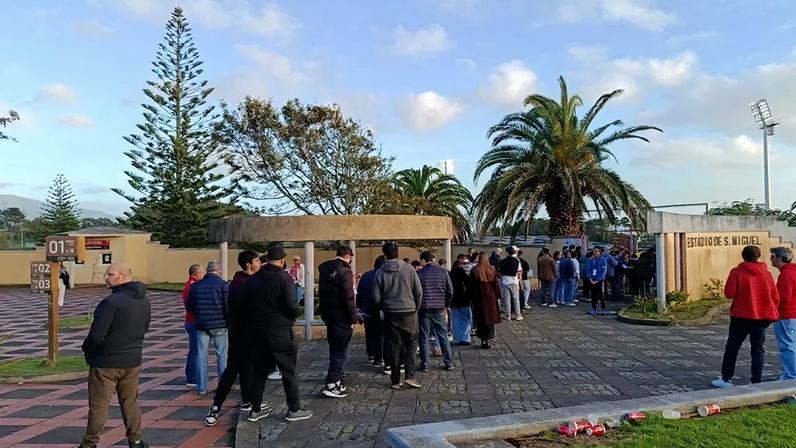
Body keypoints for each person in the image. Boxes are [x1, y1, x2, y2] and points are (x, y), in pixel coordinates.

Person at [78, 262, 150, 448]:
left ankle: (89, 443)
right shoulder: (144, 301)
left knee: (99, 405)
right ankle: (136, 440)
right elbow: (144, 328)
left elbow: (96, 335)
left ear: (124, 276)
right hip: (132, 360)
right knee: (130, 402)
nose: (106, 278)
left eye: (110, 274)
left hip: (106, 363)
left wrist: (87, 349)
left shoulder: (110, 303)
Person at [241, 246, 313, 422]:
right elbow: (291, 306)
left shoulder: (253, 279)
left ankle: (255, 409)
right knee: (288, 370)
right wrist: (292, 315)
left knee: (260, 370)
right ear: (282, 260)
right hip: (279, 330)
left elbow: (245, 305)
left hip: (258, 330)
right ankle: (294, 409)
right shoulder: (284, 278)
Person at [204, 251, 261, 426]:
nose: (260, 263)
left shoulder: (237, 281)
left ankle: (247, 400)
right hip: (244, 333)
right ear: (249, 264)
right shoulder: (245, 283)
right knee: (233, 370)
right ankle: (216, 406)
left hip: (240, 332)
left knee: (247, 368)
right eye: (257, 260)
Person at [712, 246, 780, 388]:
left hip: (740, 316)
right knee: (758, 349)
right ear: (758, 256)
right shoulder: (767, 274)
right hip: (761, 317)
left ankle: (726, 378)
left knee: (732, 347)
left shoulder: (737, 272)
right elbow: (775, 297)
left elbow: (729, 293)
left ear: (743, 256)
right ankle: (756, 380)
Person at [373, 242, 423, 389]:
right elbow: (418, 291)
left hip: (390, 312)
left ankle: (395, 380)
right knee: (411, 344)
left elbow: (375, 297)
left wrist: (382, 308)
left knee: (394, 346)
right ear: (398, 253)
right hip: (409, 311)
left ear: (384, 255)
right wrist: (416, 307)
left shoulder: (380, 272)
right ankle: (410, 376)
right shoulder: (409, 269)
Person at [318, 246, 356, 399]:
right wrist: (353, 318)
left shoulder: (325, 269)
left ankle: (337, 378)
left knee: (334, 347)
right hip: (341, 315)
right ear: (348, 256)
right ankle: (333, 382)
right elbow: (349, 297)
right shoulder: (344, 271)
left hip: (328, 313)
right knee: (341, 350)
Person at [186, 261, 229, 395]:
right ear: (219, 271)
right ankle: (223, 385)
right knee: (222, 355)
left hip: (201, 324)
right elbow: (227, 306)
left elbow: (190, 306)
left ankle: (201, 387)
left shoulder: (196, 286)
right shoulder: (223, 285)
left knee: (201, 356)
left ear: (207, 271)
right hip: (220, 324)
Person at [417, 251, 454, 372]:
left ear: (423, 260)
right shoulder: (443, 272)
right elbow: (450, 290)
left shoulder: (419, 274)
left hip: (424, 308)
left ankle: (425, 363)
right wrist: (446, 304)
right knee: (443, 335)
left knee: (424, 336)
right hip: (439, 307)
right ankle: (448, 362)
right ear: (432, 259)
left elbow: (416, 292)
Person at [467, 252, 501, 349]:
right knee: (490, 320)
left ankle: (483, 339)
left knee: (480, 319)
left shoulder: (474, 270)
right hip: (490, 298)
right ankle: (489, 339)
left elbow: (471, 285)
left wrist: (470, 297)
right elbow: (495, 284)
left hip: (479, 298)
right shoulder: (491, 269)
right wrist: (498, 295)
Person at [771, 247, 796, 380]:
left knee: (787, 347)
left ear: (780, 258)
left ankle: (791, 376)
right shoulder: (792, 272)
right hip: (793, 315)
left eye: (773, 256)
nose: (771, 259)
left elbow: (783, 298)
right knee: (792, 345)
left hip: (787, 315)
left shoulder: (786, 275)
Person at [358, 255, 387, 367]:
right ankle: (379, 358)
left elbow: (360, 293)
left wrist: (360, 307)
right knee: (380, 334)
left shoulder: (366, 275)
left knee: (369, 333)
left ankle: (371, 354)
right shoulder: (382, 275)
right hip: (379, 310)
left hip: (367, 309)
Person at [181, 264, 204, 388]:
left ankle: (193, 376)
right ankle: (192, 377)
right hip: (194, 321)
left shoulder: (189, 285)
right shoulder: (193, 286)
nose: (203, 275)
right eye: (202, 272)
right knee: (195, 351)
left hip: (191, 321)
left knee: (195, 350)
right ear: (196, 274)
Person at [450, 259, 472, 346]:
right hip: (464, 300)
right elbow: (470, 287)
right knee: (466, 319)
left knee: (455, 320)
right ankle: (465, 338)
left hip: (453, 300)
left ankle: (457, 338)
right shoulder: (464, 275)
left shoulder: (450, 275)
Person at [497, 246, 523, 320]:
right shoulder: (517, 261)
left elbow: (500, 271)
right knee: (515, 298)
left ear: (507, 252)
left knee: (507, 299)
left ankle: (508, 314)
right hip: (514, 281)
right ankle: (518, 314)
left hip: (505, 280)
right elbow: (519, 272)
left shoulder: (502, 261)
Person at [586, 247, 608, 315]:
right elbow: (588, 269)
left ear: (600, 252)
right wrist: (590, 278)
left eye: (596, 251)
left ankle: (603, 309)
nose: (594, 252)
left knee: (601, 295)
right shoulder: (591, 260)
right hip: (592, 280)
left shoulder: (603, 260)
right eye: (594, 251)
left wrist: (598, 280)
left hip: (600, 281)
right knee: (593, 295)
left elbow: (603, 271)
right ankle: (594, 308)